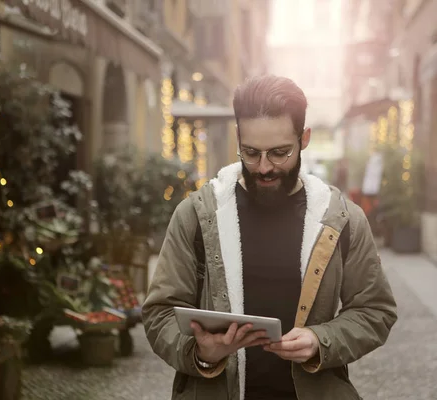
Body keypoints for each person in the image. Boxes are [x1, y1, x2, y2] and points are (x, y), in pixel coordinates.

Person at [142, 75, 397, 400]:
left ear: (304, 138)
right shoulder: (195, 215)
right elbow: (159, 313)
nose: (264, 167)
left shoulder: (341, 219)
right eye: (250, 152)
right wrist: (202, 352)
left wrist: (322, 341)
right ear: (238, 137)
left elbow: (375, 310)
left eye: (279, 153)